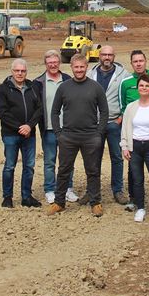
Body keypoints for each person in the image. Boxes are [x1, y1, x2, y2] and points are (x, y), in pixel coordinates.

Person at [48, 54, 109, 217]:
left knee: (93, 170)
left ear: (86, 67)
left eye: (82, 67)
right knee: (63, 170)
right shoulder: (64, 87)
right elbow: (54, 112)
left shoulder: (96, 87)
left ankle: (95, 202)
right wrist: (58, 133)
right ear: (72, 68)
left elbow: (104, 111)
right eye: (76, 67)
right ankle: (59, 202)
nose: (79, 70)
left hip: (91, 136)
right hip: (68, 137)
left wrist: (99, 133)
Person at [32, 50, 78, 204]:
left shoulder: (67, 80)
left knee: (67, 161)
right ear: (45, 64)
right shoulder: (38, 83)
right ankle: (50, 190)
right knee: (50, 161)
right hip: (49, 129)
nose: (53, 65)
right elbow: (36, 107)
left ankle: (68, 188)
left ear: (59, 63)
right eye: (49, 62)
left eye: (55, 62)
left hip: (67, 128)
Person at [0, 58, 43, 208]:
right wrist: (20, 128)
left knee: (29, 166)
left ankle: (26, 196)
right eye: (17, 71)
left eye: (23, 71)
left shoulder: (33, 87)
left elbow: (39, 109)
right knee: (10, 165)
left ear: (26, 72)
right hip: (11, 134)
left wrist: (29, 126)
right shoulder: (3, 89)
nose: (20, 73)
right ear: (12, 71)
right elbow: (3, 113)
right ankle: (7, 197)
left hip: (30, 134)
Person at [120, 73, 149, 224]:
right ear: (138, 87)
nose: (144, 88)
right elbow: (125, 127)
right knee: (137, 179)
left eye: (147, 86)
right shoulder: (131, 107)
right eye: (141, 85)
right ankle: (140, 207)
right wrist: (125, 146)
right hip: (134, 147)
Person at [86, 45, 130, 205]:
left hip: (113, 123)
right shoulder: (90, 74)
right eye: (104, 54)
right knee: (93, 159)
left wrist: (120, 119)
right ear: (99, 56)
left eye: (110, 55)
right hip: (94, 125)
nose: (107, 57)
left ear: (114, 56)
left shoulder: (124, 75)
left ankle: (117, 190)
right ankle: (91, 191)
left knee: (117, 157)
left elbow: (129, 99)